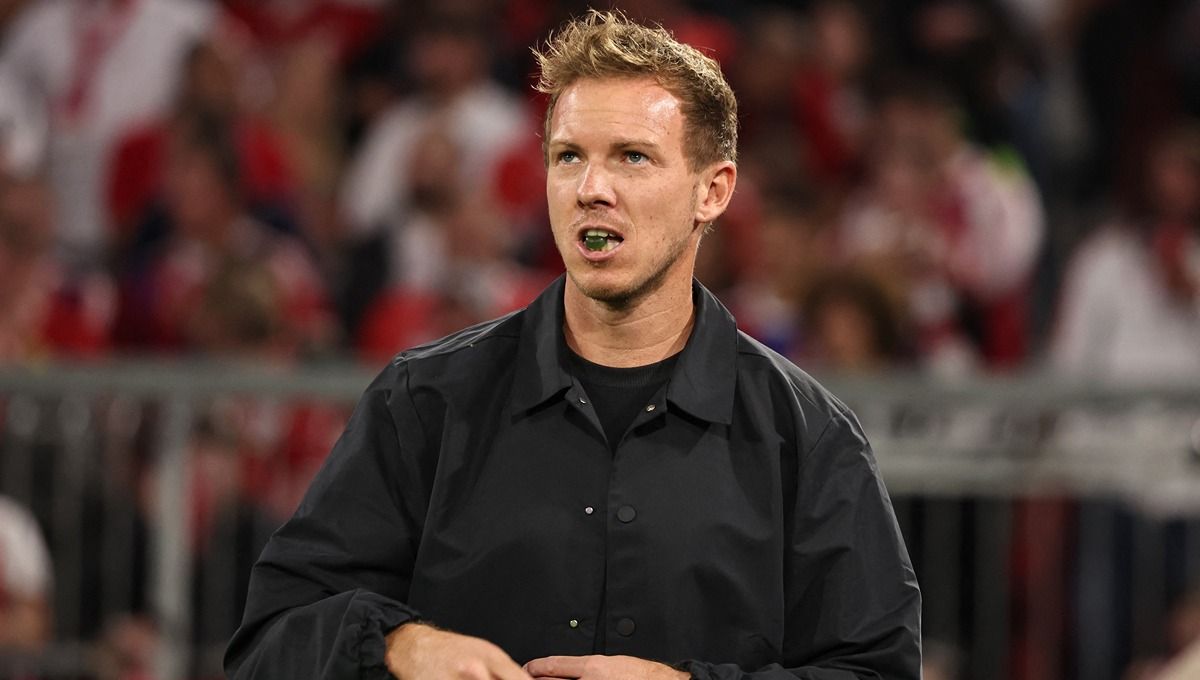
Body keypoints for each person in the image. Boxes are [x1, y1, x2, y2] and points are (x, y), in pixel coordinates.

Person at [226, 11, 920, 680]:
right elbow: (270, 641)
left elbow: (872, 670)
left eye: (633, 157)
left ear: (713, 191)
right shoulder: (425, 403)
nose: (592, 189)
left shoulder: (808, 437)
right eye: (568, 157)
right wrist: (399, 647)